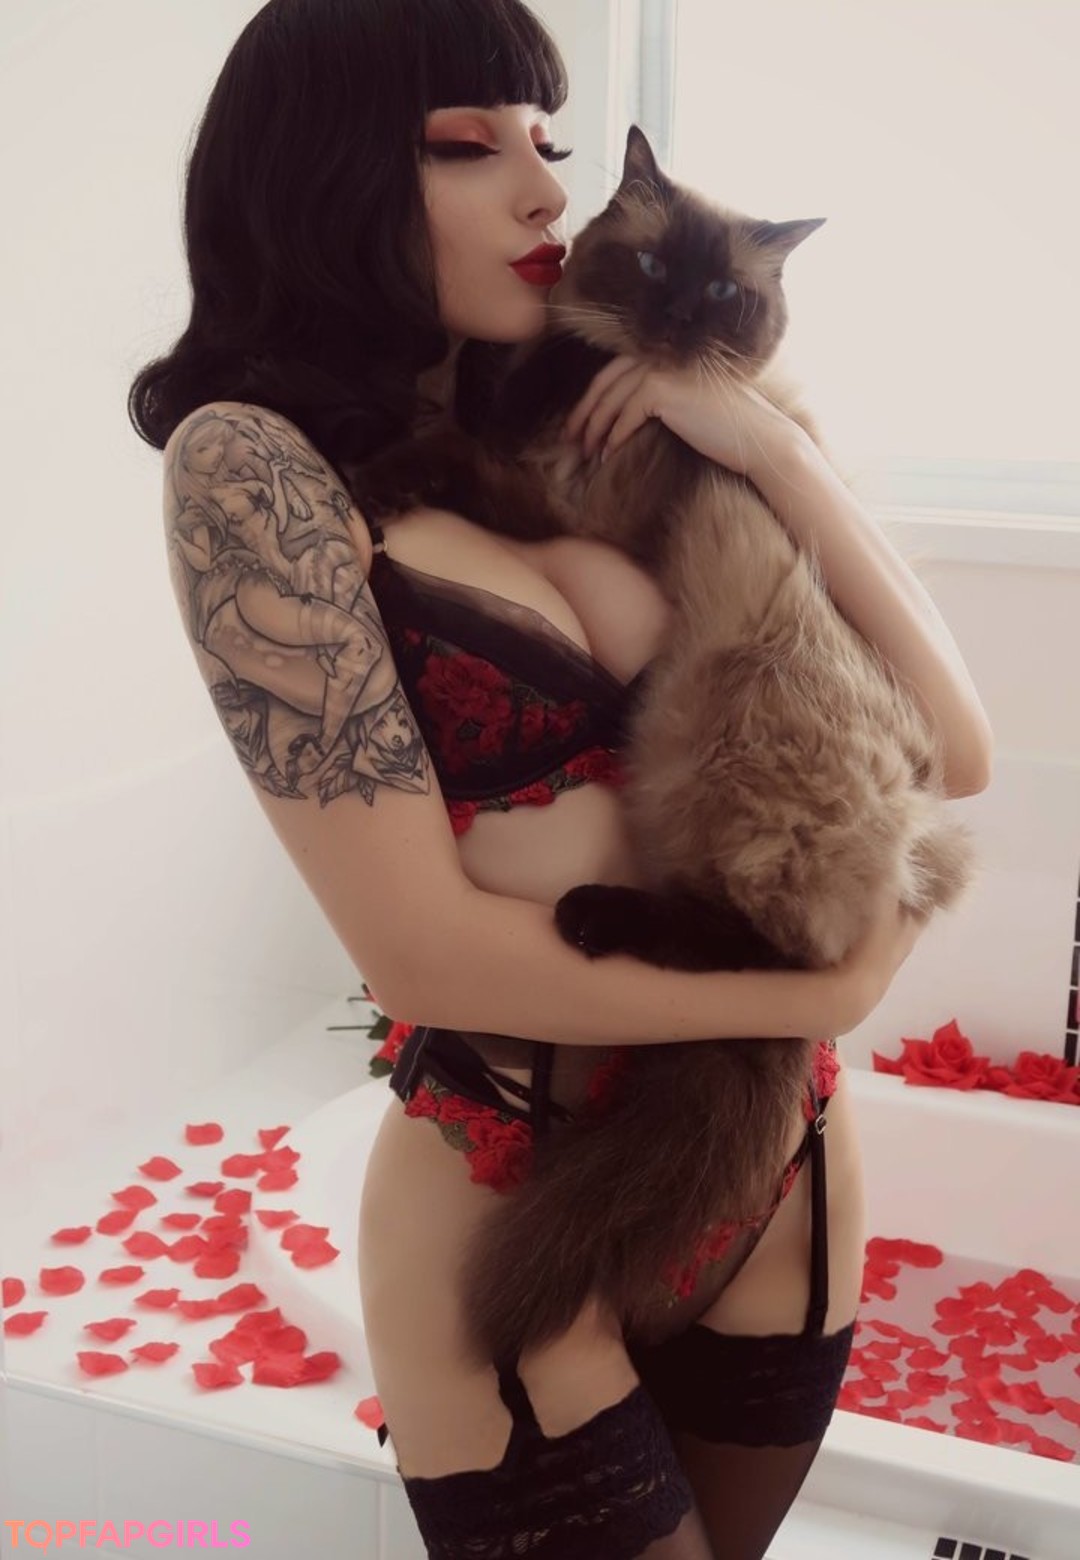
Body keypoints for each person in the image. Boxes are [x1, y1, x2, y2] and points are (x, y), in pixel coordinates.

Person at [128, 1, 993, 1554]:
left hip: (781, 1160)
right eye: (471, 146)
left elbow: (957, 746)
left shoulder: (599, 419)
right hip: (516, 1180)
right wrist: (830, 987)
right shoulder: (254, 469)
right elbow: (420, 953)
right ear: (323, 176)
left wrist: (771, 448)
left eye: (552, 141)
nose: (545, 189)